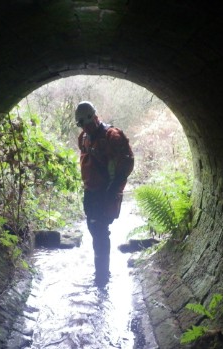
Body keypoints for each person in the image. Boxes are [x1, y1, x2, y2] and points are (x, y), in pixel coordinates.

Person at [75, 101, 134, 286]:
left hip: (106, 192)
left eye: (88, 122)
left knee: (100, 231)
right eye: (81, 124)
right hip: (91, 193)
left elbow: (126, 165)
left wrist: (113, 191)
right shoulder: (84, 137)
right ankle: (101, 273)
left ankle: (102, 276)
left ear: (95, 116)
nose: (85, 126)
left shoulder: (112, 136)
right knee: (94, 229)